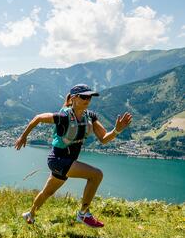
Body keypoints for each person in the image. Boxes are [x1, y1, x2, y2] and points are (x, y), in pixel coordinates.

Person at [14, 84, 132, 228]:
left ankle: (30, 214)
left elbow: (104, 139)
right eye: (84, 96)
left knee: (48, 192)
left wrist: (116, 130)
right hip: (58, 159)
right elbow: (38, 118)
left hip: (67, 161)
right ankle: (83, 213)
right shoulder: (63, 117)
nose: (87, 99)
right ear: (74, 98)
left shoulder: (91, 117)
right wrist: (23, 137)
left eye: (90, 97)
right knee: (96, 175)